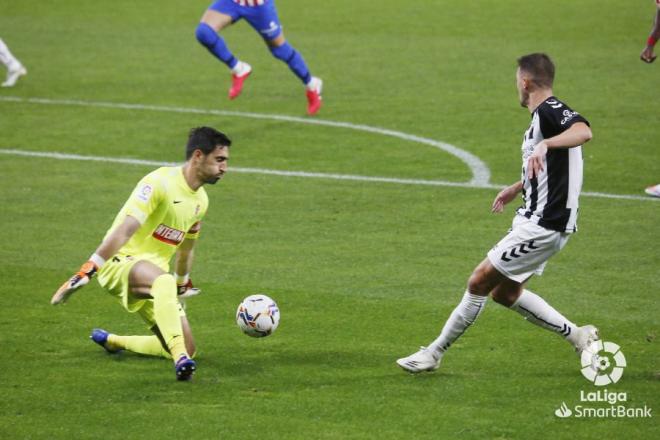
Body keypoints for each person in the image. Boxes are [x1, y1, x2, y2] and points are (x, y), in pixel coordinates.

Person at [397, 53, 600, 373]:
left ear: (526, 82)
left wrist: (546, 146)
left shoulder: (550, 110)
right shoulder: (541, 118)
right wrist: (519, 186)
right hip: (537, 219)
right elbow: (557, 169)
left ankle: (434, 353)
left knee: (478, 282)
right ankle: (578, 336)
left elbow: (583, 131)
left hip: (543, 225)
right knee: (506, 293)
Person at [51, 127, 232, 381]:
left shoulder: (201, 201)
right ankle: (181, 360)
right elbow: (124, 231)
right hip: (119, 263)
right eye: (219, 160)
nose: (224, 168)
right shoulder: (159, 183)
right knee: (164, 286)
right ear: (198, 156)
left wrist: (182, 283)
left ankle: (115, 341)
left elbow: (186, 249)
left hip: (157, 280)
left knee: (188, 344)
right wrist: (89, 269)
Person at [195, 0, 323, 115]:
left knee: (279, 50)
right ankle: (239, 68)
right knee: (204, 32)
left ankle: (312, 84)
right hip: (232, 2)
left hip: (259, 7)